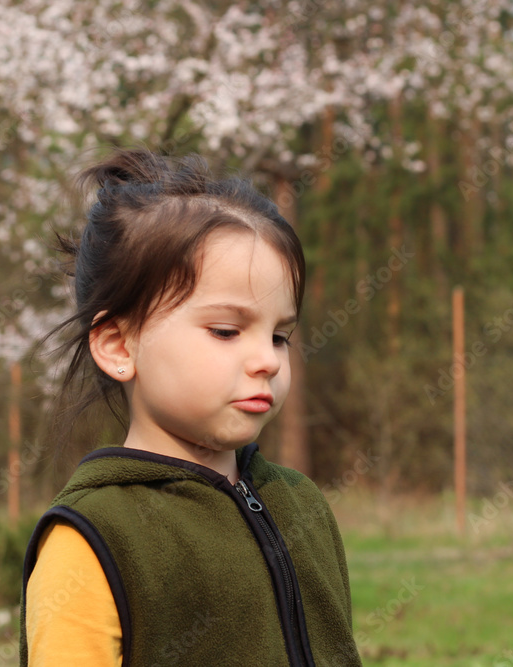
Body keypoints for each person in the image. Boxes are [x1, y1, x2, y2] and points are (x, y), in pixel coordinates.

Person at [19, 147, 362, 666]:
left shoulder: (302, 504)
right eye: (226, 331)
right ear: (119, 346)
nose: (266, 361)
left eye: (279, 336)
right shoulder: (94, 535)